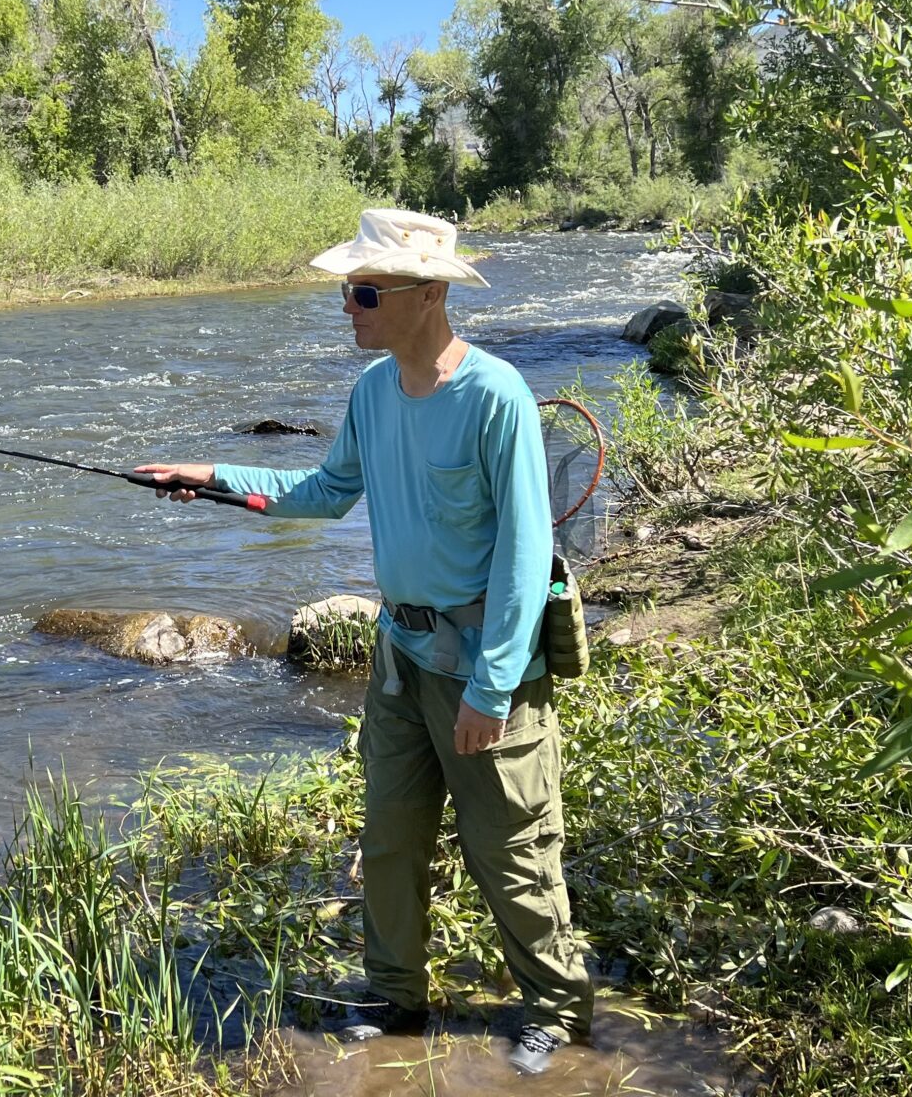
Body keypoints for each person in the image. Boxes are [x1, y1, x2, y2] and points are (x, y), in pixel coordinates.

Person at [136, 208, 593, 1075]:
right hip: (400, 662)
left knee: (516, 852)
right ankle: (398, 1001)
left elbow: (526, 554)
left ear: (426, 295)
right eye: (348, 291)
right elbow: (324, 488)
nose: (347, 306)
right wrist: (211, 476)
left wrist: (491, 691)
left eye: (364, 291)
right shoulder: (372, 392)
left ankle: (557, 1013)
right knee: (389, 839)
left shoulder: (495, 396)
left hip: (485, 670)